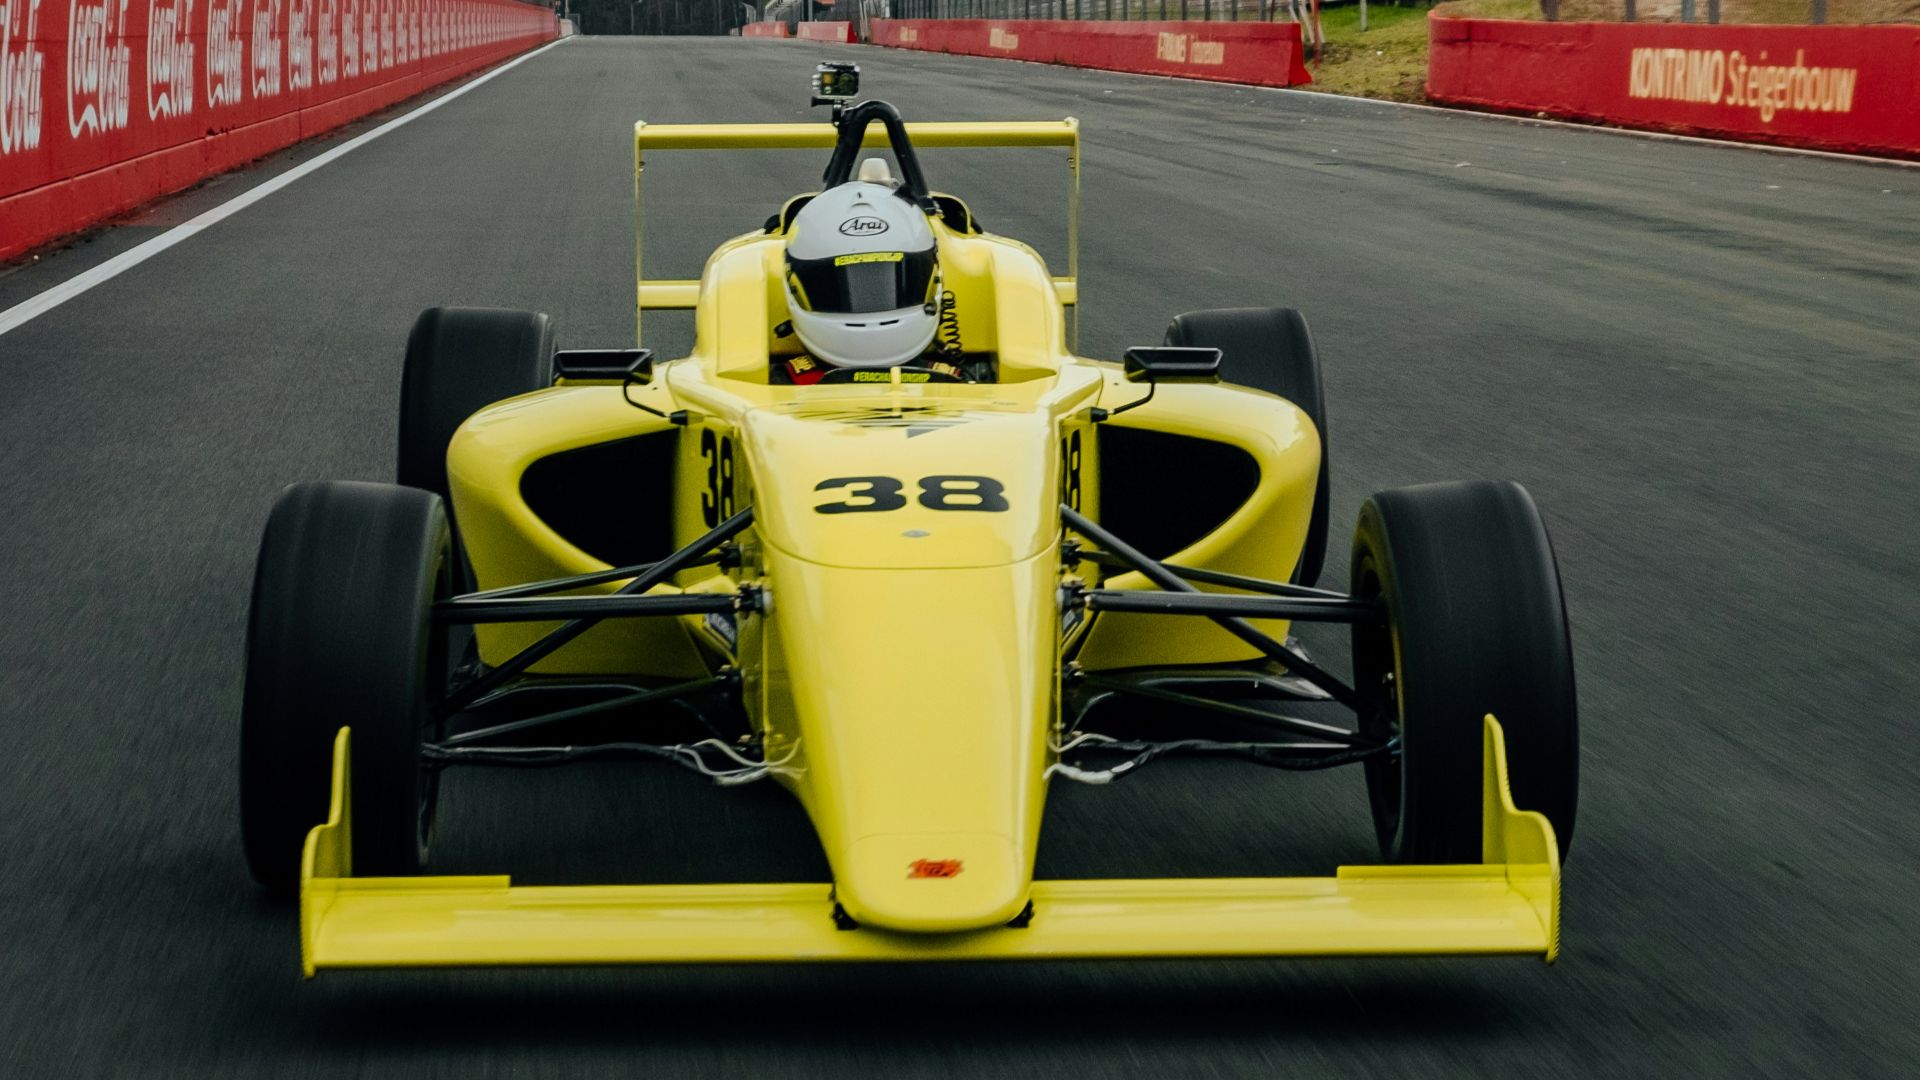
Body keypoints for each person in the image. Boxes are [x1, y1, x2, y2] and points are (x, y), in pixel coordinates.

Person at [776, 159, 991, 384]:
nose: (869, 301)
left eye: (882, 283)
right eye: (838, 288)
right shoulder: (788, 377)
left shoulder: (950, 376)